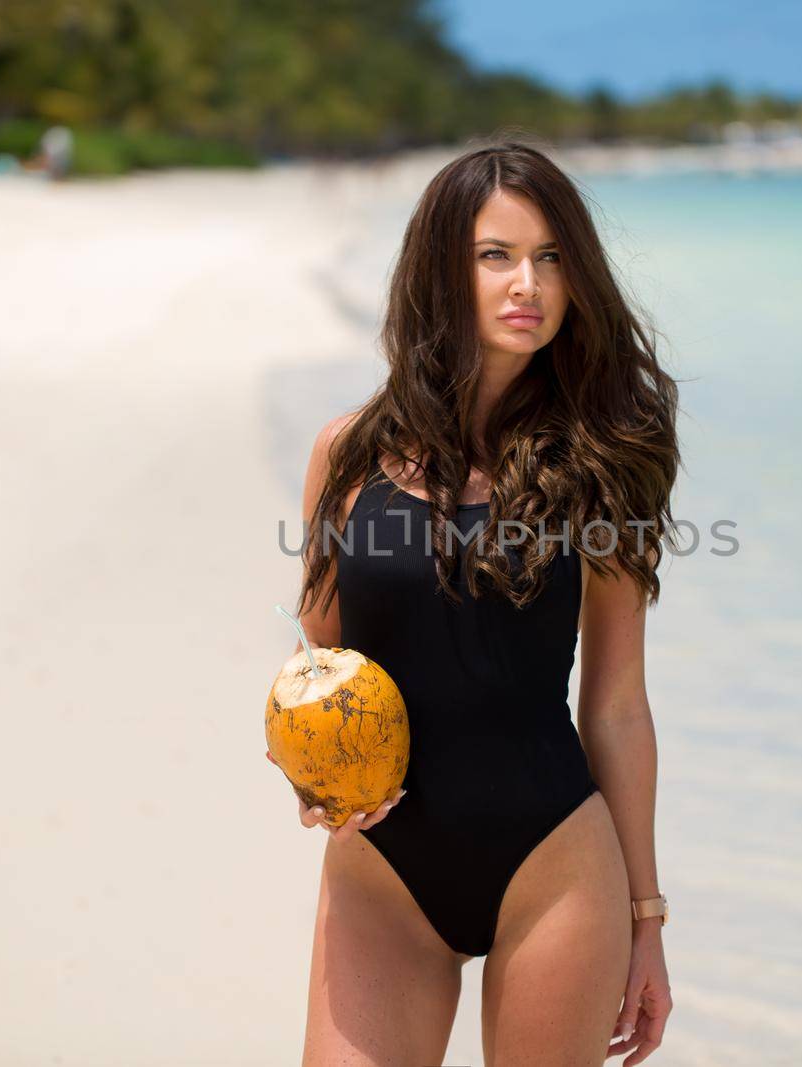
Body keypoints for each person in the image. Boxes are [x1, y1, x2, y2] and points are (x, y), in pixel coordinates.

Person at [270, 138, 680, 1066]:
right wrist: (308, 778)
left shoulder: (605, 462)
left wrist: (645, 917)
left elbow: (615, 699)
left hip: (554, 860)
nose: (526, 283)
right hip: (384, 872)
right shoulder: (345, 457)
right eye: (496, 256)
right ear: (441, 273)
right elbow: (320, 671)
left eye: (551, 257)